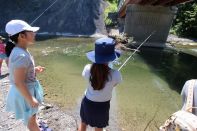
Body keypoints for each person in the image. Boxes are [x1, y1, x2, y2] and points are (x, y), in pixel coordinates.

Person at [5, 20, 45, 131]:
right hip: (26, 92)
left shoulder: (20, 50)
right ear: (22, 36)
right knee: (32, 122)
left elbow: (19, 71)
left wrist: (33, 69)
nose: (34, 34)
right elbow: (18, 82)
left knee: (31, 118)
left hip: (26, 90)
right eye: (31, 32)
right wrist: (31, 99)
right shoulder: (21, 55)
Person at [79, 37, 122, 131]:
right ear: (111, 58)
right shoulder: (116, 74)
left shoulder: (87, 68)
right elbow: (114, 85)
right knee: (99, 127)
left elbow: (88, 78)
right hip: (103, 106)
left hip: (88, 102)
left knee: (83, 123)